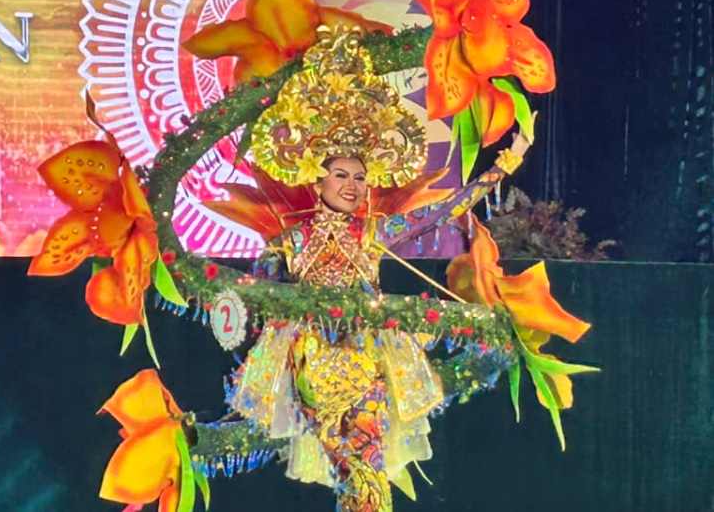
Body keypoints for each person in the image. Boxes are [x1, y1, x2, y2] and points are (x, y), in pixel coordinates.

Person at [224, 28, 529, 512]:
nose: (352, 186)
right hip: (310, 362)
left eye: (360, 178)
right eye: (341, 175)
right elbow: (255, 299)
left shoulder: (373, 232)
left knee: (368, 459)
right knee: (343, 461)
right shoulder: (290, 241)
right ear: (317, 179)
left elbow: (441, 211)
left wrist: (503, 166)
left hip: (368, 359)